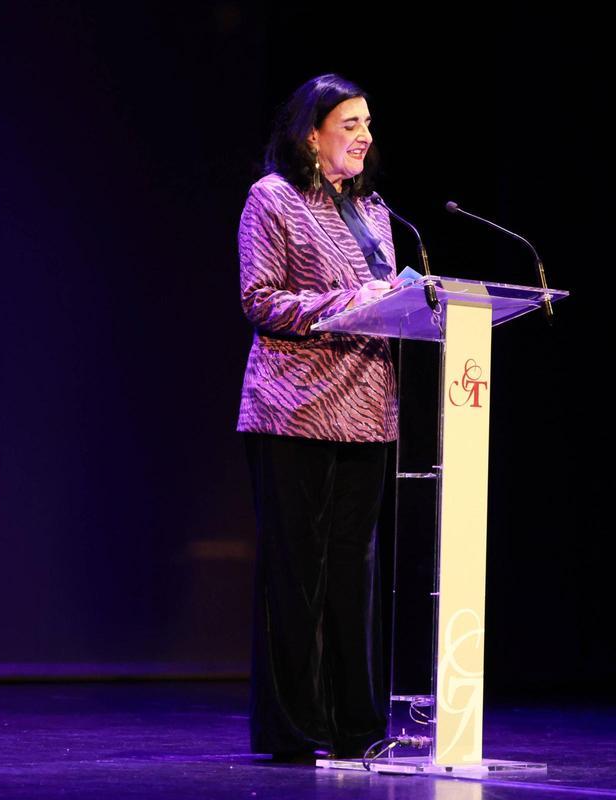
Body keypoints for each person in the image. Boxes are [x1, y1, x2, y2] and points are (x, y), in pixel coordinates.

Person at [236, 73, 398, 761]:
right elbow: (260, 298)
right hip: (294, 408)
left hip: (367, 411)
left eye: (368, 124)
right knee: (295, 573)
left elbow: (387, 299)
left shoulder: (378, 209)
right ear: (312, 133)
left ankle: (356, 726)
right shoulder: (272, 199)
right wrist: (352, 303)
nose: (365, 136)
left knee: (351, 576)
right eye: (350, 124)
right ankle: (295, 728)